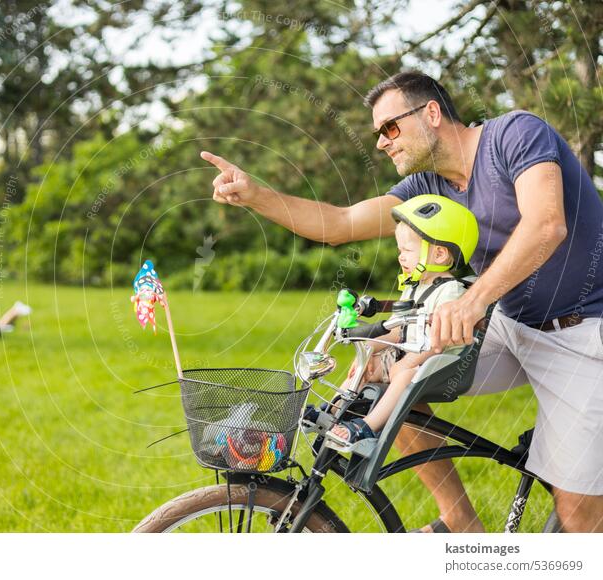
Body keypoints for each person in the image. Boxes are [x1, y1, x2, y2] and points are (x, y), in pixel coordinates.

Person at [200, 70, 603, 532]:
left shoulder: (515, 135)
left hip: (583, 331)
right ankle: (460, 522)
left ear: (431, 113)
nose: (381, 143)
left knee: (580, 522)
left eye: (389, 128)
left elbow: (547, 224)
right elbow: (341, 222)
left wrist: (472, 302)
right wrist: (258, 197)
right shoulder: (427, 187)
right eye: (377, 134)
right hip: (509, 322)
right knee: (385, 370)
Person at [327, 195, 478, 449]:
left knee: (404, 375)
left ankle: (367, 427)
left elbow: (439, 341)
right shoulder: (414, 287)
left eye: (406, 251)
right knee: (365, 364)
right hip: (407, 354)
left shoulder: (451, 291)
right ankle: (332, 412)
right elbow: (399, 329)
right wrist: (368, 346)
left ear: (439, 254)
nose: (400, 258)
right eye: (400, 251)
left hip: (437, 363)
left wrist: (410, 361)